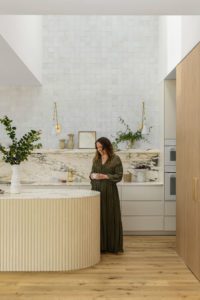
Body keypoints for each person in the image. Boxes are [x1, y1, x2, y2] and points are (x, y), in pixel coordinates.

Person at [90, 137, 123, 253]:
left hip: (110, 192)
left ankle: (112, 246)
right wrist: (93, 176)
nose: (99, 149)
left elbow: (119, 176)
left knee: (110, 216)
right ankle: (100, 246)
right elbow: (91, 174)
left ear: (107, 146)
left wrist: (106, 176)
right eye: (97, 147)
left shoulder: (115, 159)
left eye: (101, 147)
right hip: (97, 191)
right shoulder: (96, 159)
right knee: (99, 217)